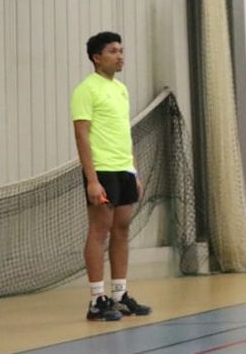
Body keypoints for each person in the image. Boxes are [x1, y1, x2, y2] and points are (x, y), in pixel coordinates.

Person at [71, 32, 152, 321]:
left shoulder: (121, 89)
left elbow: (123, 132)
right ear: (97, 57)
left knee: (122, 229)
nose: (120, 56)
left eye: (122, 50)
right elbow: (81, 134)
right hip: (102, 170)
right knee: (99, 230)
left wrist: (134, 169)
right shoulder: (86, 90)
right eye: (113, 51)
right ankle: (97, 300)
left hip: (123, 170)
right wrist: (92, 179)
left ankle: (118, 294)